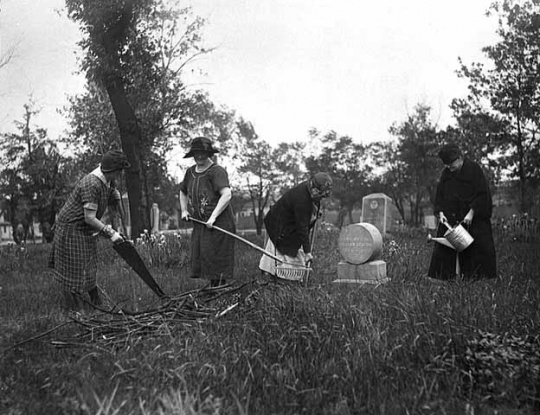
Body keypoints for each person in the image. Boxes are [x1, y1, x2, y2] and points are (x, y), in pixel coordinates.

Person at [48, 150, 131, 309]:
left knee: (90, 265)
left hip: (85, 228)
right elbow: (89, 218)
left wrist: (116, 196)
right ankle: (75, 308)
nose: (121, 174)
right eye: (119, 170)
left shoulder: (108, 180)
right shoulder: (91, 184)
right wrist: (110, 233)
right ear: (112, 170)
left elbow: (112, 202)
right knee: (74, 268)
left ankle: (96, 303)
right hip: (71, 227)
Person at [428, 143, 497, 281]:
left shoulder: (474, 169)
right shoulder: (446, 173)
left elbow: (482, 194)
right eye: (446, 165)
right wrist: (441, 213)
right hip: (451, 217)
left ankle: (479, 278)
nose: (449, 168)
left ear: (460, 158)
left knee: (479, 245)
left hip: (473, 215)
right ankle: (444, 278)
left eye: (451, 164)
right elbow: (440, 195)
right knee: (444, 244)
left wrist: (472, 213)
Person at [179, 136, 235, 287]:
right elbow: (183, 192)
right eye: (196, 153)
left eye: (203, 153)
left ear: (209, 154)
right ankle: (214, 290)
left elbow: (227, 194)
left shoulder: (217, 171)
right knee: (205, 257)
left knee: (217, 259)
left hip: (219, 224)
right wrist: (184, 210)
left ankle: (220, 291)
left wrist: (213, 217)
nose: (200, 156)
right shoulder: (190, 173)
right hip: (201, 224)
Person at [259, 172, 333, 279]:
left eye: (322, 195)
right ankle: (276, 276)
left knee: (291, 245)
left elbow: (313, 204)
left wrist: (315, 212)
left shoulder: (310, 188)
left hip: (289, 220)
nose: (319, 197)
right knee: (282, 248)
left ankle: (280, 275)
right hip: (279, 222)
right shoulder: (301, 199)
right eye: (318, 193)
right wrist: (307, 252)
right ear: (312, 186)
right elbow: (302, 227)